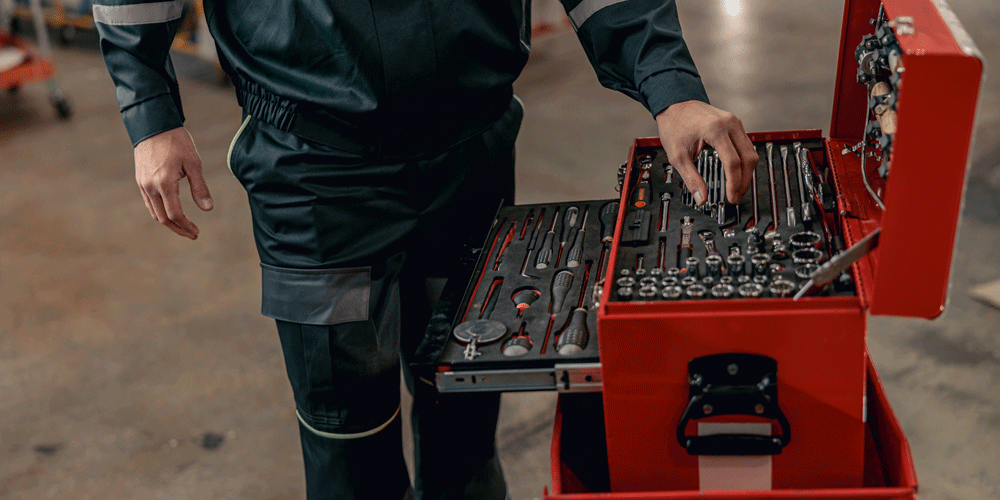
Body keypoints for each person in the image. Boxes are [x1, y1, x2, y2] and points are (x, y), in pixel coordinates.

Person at [94, 0, 758, 498]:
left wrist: (670, 84)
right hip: (316, 175)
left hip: (470, 158)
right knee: (346, 427)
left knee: (464, 404)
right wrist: (151, 112)